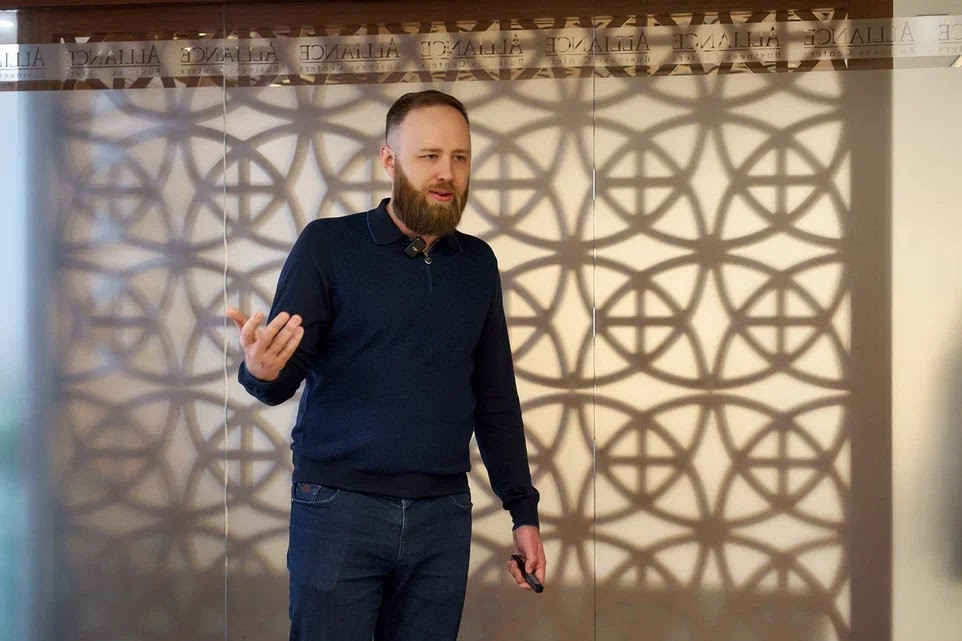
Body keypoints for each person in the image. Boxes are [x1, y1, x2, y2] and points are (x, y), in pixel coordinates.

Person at [226, 89, 546, 641]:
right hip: (338, 510)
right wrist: (261, 370)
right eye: (429, 156)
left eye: (460, 157)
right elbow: (278, 380)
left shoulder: (477, 263)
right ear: (389, 160)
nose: (446, 172)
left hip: (442, 514)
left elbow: (495, 397)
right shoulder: (328, 246)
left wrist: (523, 511)